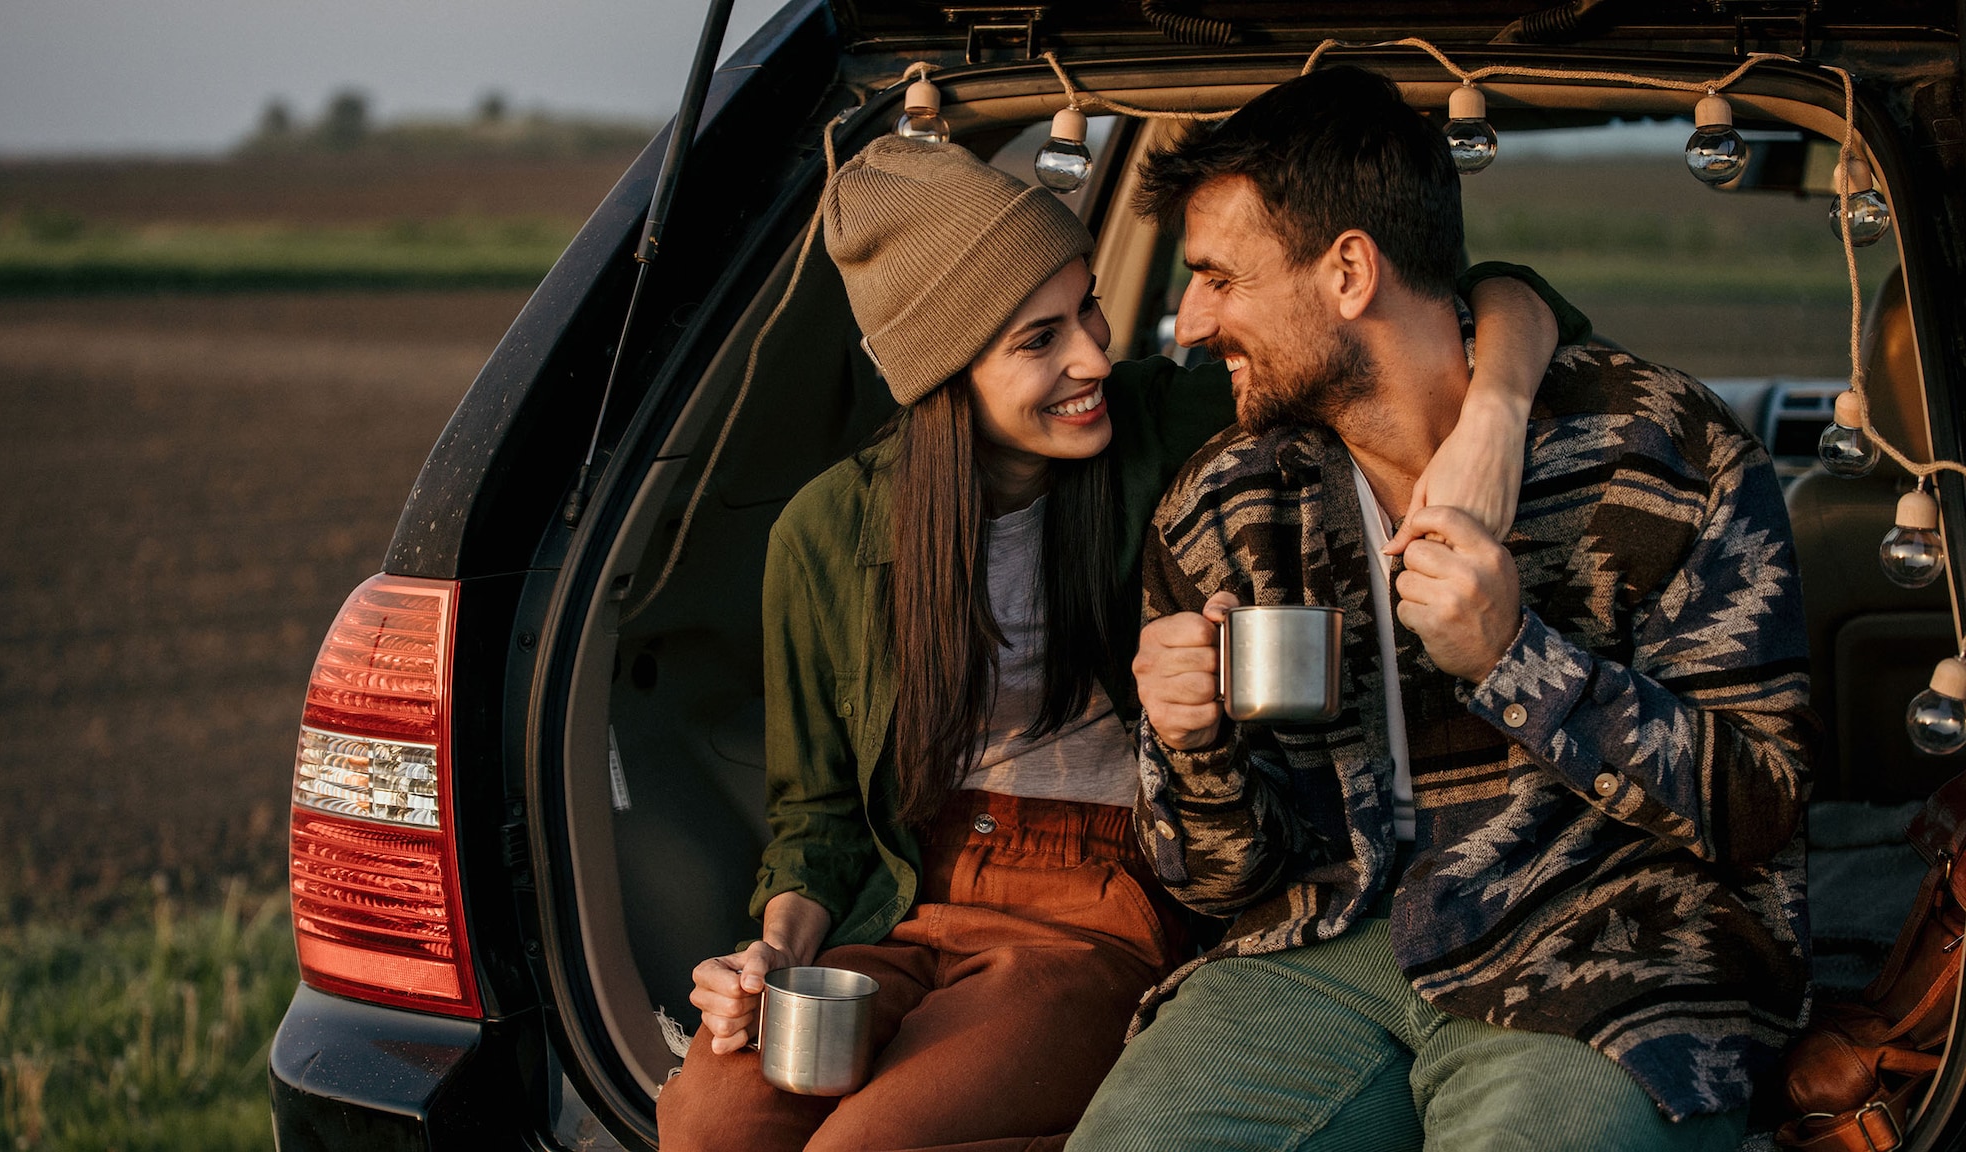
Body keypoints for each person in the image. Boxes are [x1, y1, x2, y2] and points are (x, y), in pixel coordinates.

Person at [655, 133, 1584, 1151]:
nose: (1092, 356)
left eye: (1086, 307)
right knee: (711, 1120)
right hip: (916, 902)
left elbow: (1484, 298)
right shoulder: (827, 534)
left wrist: (1492, 414)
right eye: (1036, 340)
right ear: (939, 375)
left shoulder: (1162, 426)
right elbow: (818, 820)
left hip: (1108, 907)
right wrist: (771, 953)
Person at [1070, 66, 1813, 1152]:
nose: (1187, 321)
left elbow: (1766, 800)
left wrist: (1517, 659)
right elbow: (1219, 878)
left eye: (1218, 279)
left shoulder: (1658, 453)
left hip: (1608, 952)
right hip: (1326, 952)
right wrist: (1186, 750)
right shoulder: (1223, 508)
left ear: (1349, 271)